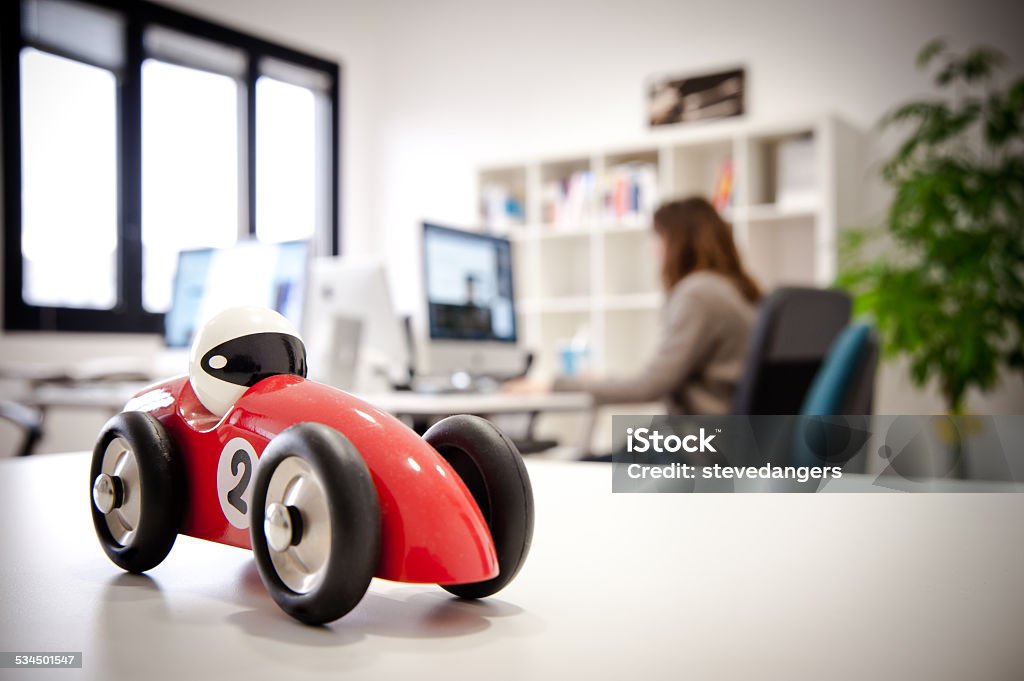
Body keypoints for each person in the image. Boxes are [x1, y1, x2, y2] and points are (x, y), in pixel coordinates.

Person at [507, 196, 760, 415]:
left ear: (677, 243)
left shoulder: (699, 294)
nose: (653, 250)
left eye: (657, 239)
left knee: (570, 465)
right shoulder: (738, 291)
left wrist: (553, 385)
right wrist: (601, 381)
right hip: (729, 444)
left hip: (698, 450)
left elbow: (647, 387)